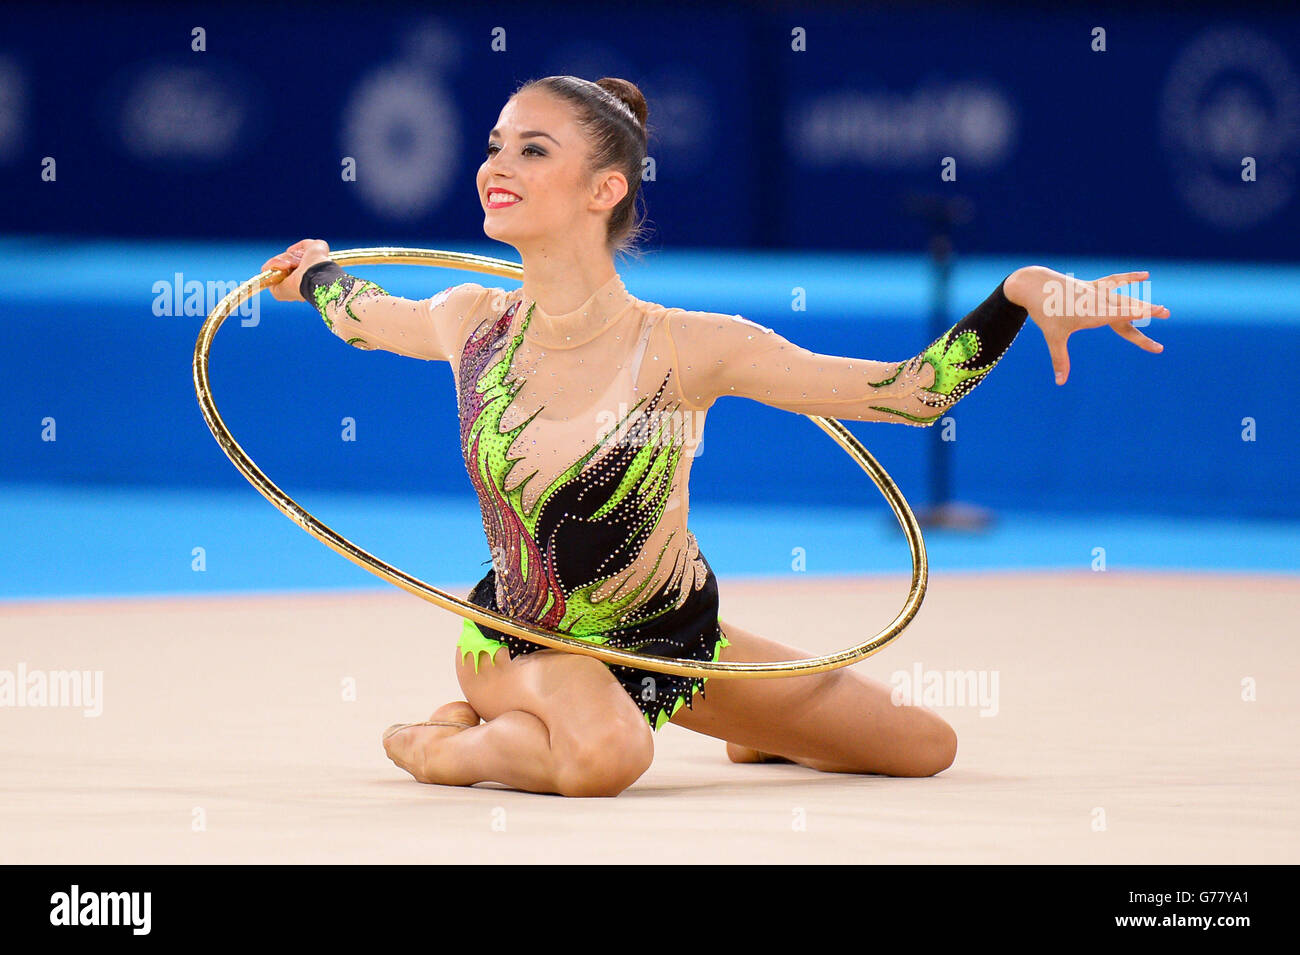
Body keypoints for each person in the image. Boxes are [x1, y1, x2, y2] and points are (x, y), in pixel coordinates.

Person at [261, 75, 1169, 797]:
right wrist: (314, 275)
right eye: (496, 144)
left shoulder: (692, 347)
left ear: (605, 188)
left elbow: (908, 395)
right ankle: (443, 743)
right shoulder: (472, 321)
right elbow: (365, 315)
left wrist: (1016, 297)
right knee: (607, 755)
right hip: (523, 636)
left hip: (674, 640)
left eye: (532, 149)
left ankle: (737, 731)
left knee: (925, 747)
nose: (496, 163)